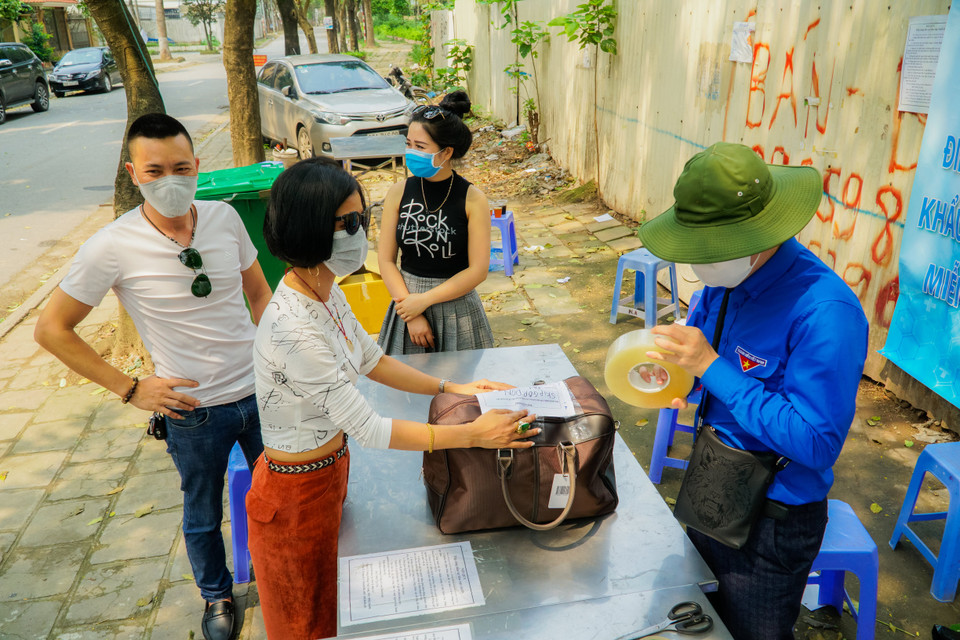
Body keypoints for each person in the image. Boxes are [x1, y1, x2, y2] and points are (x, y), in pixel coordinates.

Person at [249, 157, 536, 640]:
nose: (363, 231)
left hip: (329, 473)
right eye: (351, 222)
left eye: (362, 218)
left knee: (336, 614)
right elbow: (372, 429)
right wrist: (472, 434)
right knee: (304, 625)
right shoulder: (292, 329)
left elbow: (372, 360)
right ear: (310, 229)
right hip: (294, 499)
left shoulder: (323, 291)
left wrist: (453, 387)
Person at [34, 113, 271, 640]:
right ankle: (216, 597)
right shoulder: (111, 246)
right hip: (192, 412)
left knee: (278, 497)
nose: (170, 180)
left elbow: (259, 294)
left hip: (260, 392)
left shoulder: (224, 219)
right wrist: (131, 388)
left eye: (181, 167)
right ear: (134, 173)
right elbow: (52, 330)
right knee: (203, 514)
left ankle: (280, 574)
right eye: (155, 169)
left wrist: (281, 358)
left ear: (198, 166)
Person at [637, 142, 869, 639]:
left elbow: (816, 443)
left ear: (755, 236)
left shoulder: (825, 312)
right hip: (714, 480)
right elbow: (705, 373)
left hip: (774, 517)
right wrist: (682, 379)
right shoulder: (723, 284)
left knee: (751, 630)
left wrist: (711, 366)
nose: (700, 268)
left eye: (709, 253)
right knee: (703, 617)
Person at [377, 90, 494, 354]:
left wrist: (425, 301)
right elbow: (385, 260)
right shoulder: (398, 193)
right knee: (406, 392)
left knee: (462, 390)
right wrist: (412, 312)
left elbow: (478, 270)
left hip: (457, 308)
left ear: (446, 152)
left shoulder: (473, 199)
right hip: (405, 305)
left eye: (420, 147)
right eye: (408, 144)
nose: (411, 152)